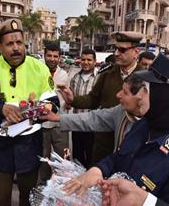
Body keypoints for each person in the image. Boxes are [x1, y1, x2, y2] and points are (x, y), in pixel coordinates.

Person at [46, 54, 169, 206]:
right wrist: (99, 170)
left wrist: (147, 202)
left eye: (147, 90)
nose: (139, 96)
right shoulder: (144, 126)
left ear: (167, 98)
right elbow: (120, 156)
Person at [0, 18, 58, 206]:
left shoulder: (39, 68)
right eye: (9, 44)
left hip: (29, 142)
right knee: (0, 198)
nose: (16, 48)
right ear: (0, 46)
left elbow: (53, 101)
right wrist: (1, 109)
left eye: (19, 43)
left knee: (28, 196)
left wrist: (39, 108)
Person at [58, 31, 142, 163]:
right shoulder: (107, 74)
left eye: (122, 50)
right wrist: (73, 100)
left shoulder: (145, 78)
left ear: (136, 52)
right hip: (104, 144)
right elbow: (92, 100)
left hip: (132, 147)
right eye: (116, 49)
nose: (116, 54)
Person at [38, 43, 69, 184]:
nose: (52, 59)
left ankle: (60, 183)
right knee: (43, 156)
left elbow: (68, 98)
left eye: (55, 56)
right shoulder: (37, 72)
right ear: (44, 56)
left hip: (59, 121)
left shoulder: (64, 75)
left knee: (61, 155)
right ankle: (43, 183)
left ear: (59, 58)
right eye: (49, 55)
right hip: (41, 122)